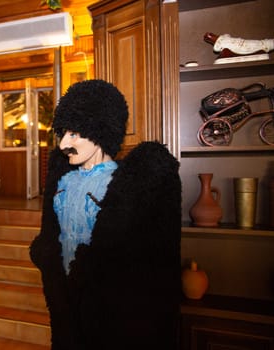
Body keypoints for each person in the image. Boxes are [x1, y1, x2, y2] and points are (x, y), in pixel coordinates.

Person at [29, 79, 182, 349]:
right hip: (66, 307)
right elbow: (54, 231)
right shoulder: (63, 179)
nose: (64, 143)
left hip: (112, 314)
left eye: (75, 133)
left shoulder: (127, 185)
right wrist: (44, 251)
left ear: (101, 132)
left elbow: (147, 255)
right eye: (63, 133)